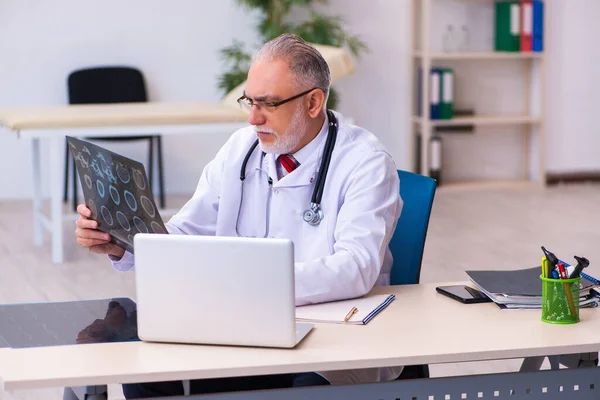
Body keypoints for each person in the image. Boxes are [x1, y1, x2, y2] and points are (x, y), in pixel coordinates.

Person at [75, 33, 404, 398]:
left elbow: (356, 267)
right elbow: (187, 229)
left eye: (268, 104)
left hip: (330, 335)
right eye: (249, 100)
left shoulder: (365, 162)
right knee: (146, 369)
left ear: (313, 102)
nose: (253, 117)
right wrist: (124, 243)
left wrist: (251, 283)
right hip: (240, 325)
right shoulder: (241, 148)